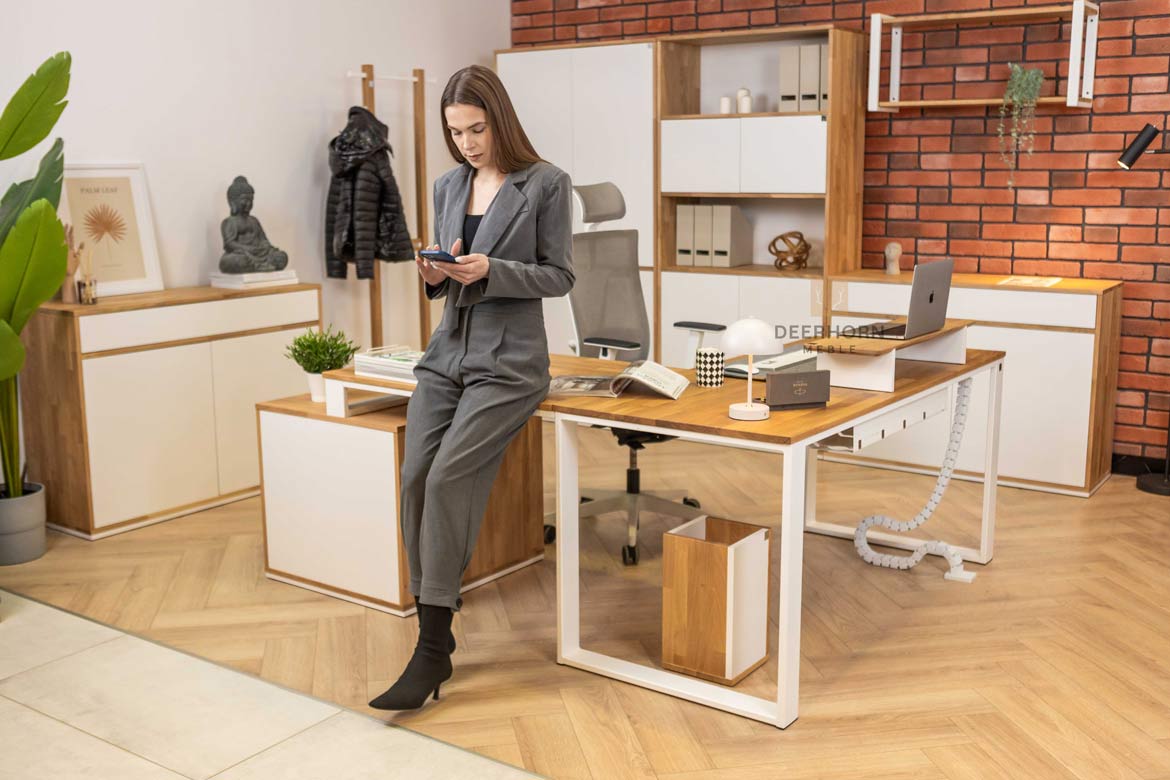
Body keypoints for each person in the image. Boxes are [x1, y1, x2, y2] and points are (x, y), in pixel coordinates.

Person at [368, 65, 573, 711]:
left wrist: (493, 270)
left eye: (477, 129)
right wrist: (435, 272)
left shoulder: (546, 183)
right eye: (457, 133)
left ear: (499, 120)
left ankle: (433, 646)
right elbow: (442, 271)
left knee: (451, 476)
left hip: (510, 360)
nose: (468, 144)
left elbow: (560, 275)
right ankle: (434, 631)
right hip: (448, 349)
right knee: (414, 476)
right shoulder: (447, 185)